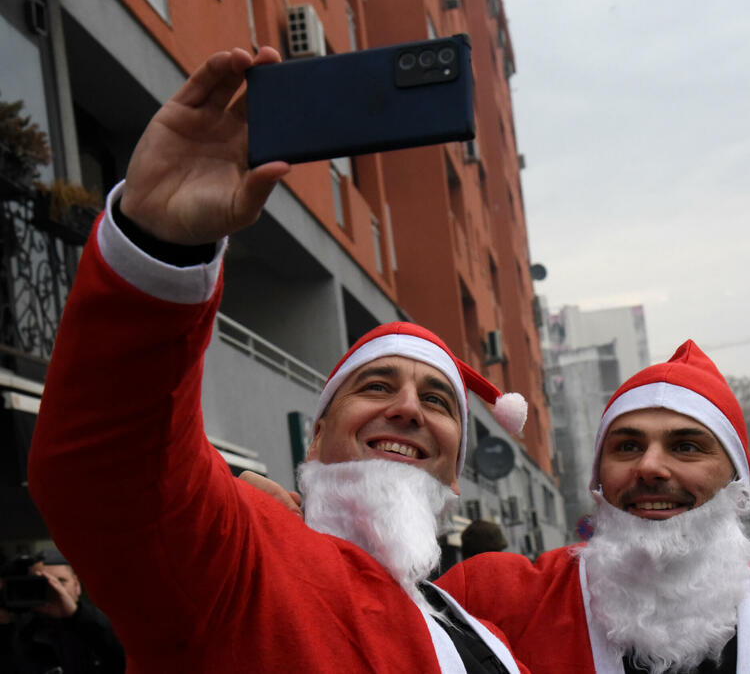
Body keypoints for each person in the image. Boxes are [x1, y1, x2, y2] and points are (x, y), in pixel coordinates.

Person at [27, 46, 529, 673]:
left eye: (435, 400)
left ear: (457, 469)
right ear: (315, 438)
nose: (406, 409)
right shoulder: (240, 563)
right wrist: (159, 245)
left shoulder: (485, 638)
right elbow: (111, 470)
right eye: (376, 386)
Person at [434, 343, 750, 673]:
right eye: (626, 447)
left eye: (686, 447)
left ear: (736, 479)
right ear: (599, 479)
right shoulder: (492, 599)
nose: (651, 467)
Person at [0, 550, 125, 673]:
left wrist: (76, 615)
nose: (55, 589)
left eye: (61, 581)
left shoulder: (107, 625)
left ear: (77, 585)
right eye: (41, 584)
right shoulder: (19, 635)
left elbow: (126, 658)